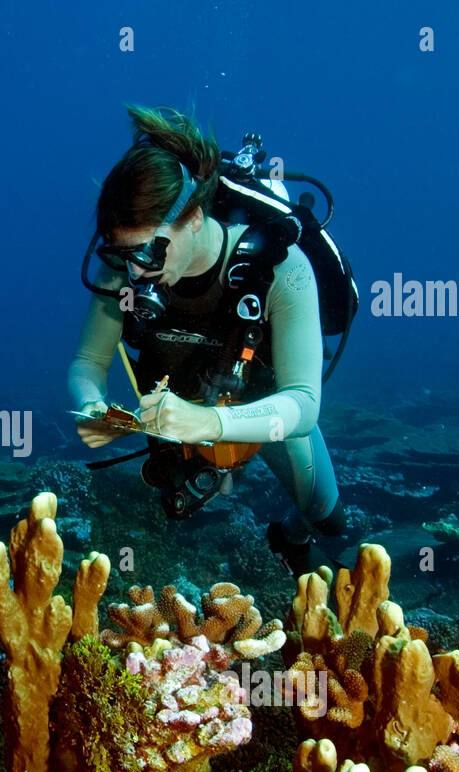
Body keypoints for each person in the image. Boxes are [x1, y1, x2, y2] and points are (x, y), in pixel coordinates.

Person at [70, 105, 348, 576]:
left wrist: (209, 422)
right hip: (175, 417)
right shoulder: (123, 272)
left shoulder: (282, 268)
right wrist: (94, 408)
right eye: (122, 254)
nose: (136, 272)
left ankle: (291, 538)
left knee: (326, 514)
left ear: (193, 217)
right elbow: (87, 363)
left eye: (149, 250)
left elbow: (303, 406)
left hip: (263, 412)